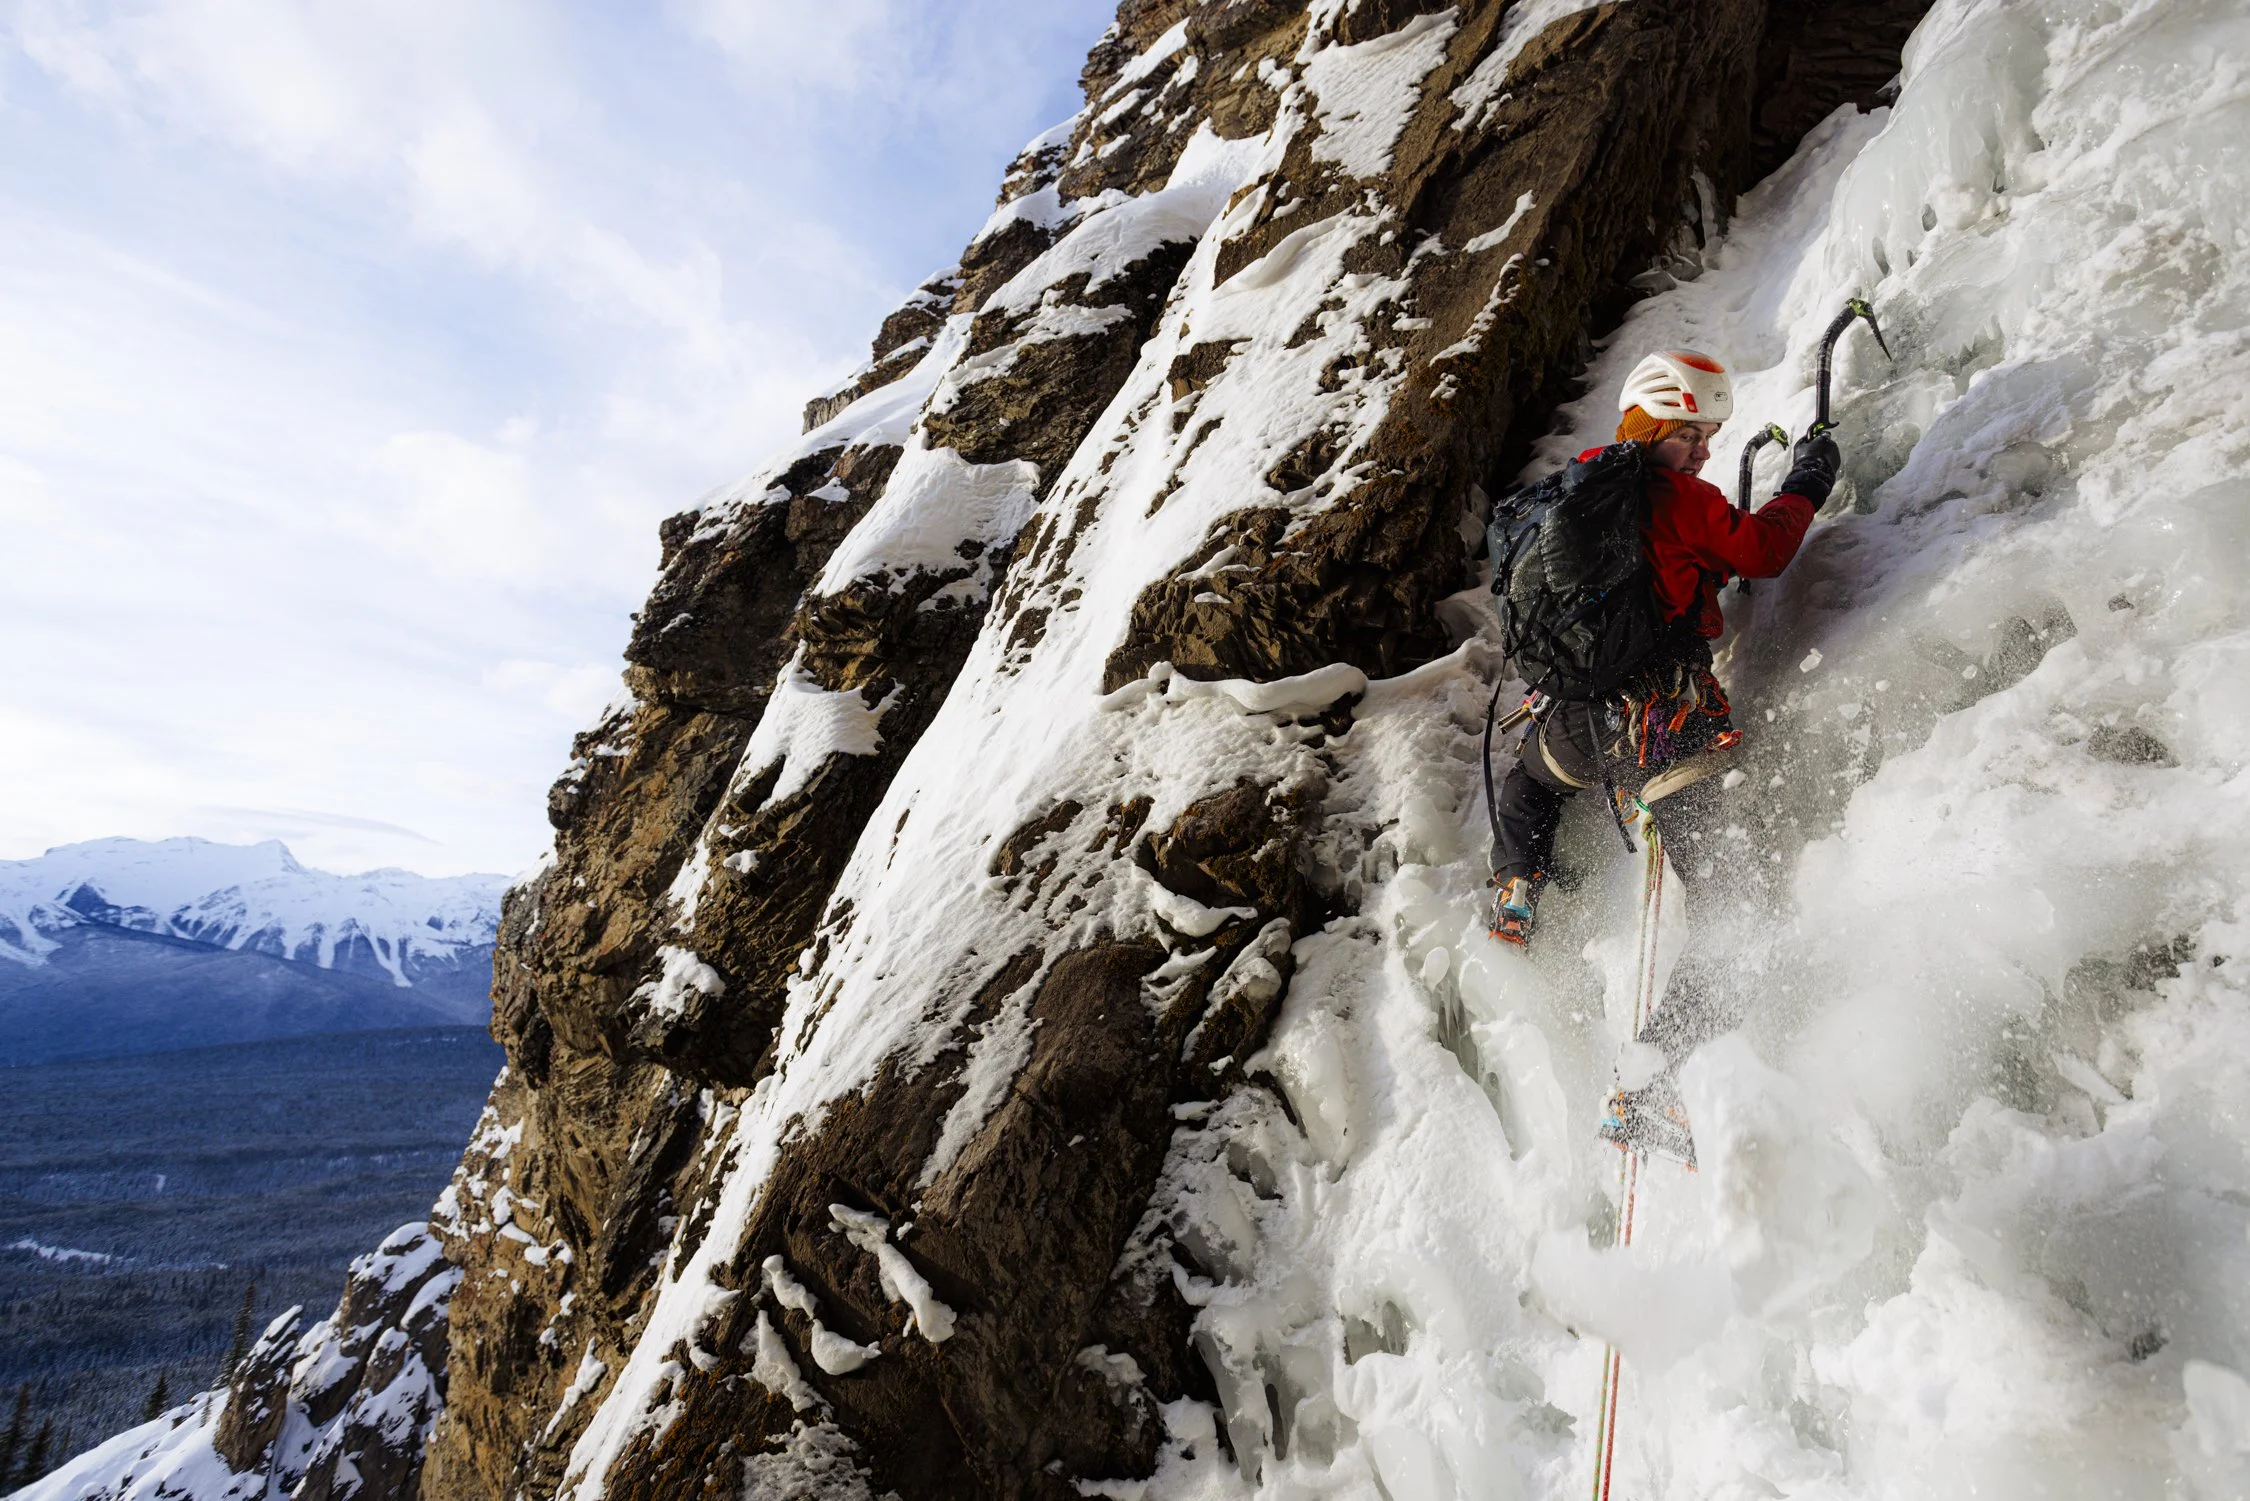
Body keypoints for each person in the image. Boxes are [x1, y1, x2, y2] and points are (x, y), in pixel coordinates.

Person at [1485, 350, 1838, 1148]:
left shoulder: (1574, 489)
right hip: (1662, 723)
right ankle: (1652, 1081)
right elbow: (1762, 549)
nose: (1708, 450)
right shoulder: (1678, 496)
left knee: (1530, 784)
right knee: (1738, 911)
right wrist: (1807, 481)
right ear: (1661, 428)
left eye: (1710, 436)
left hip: (1575, 720)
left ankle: (1516, 887)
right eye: (1696, 435)